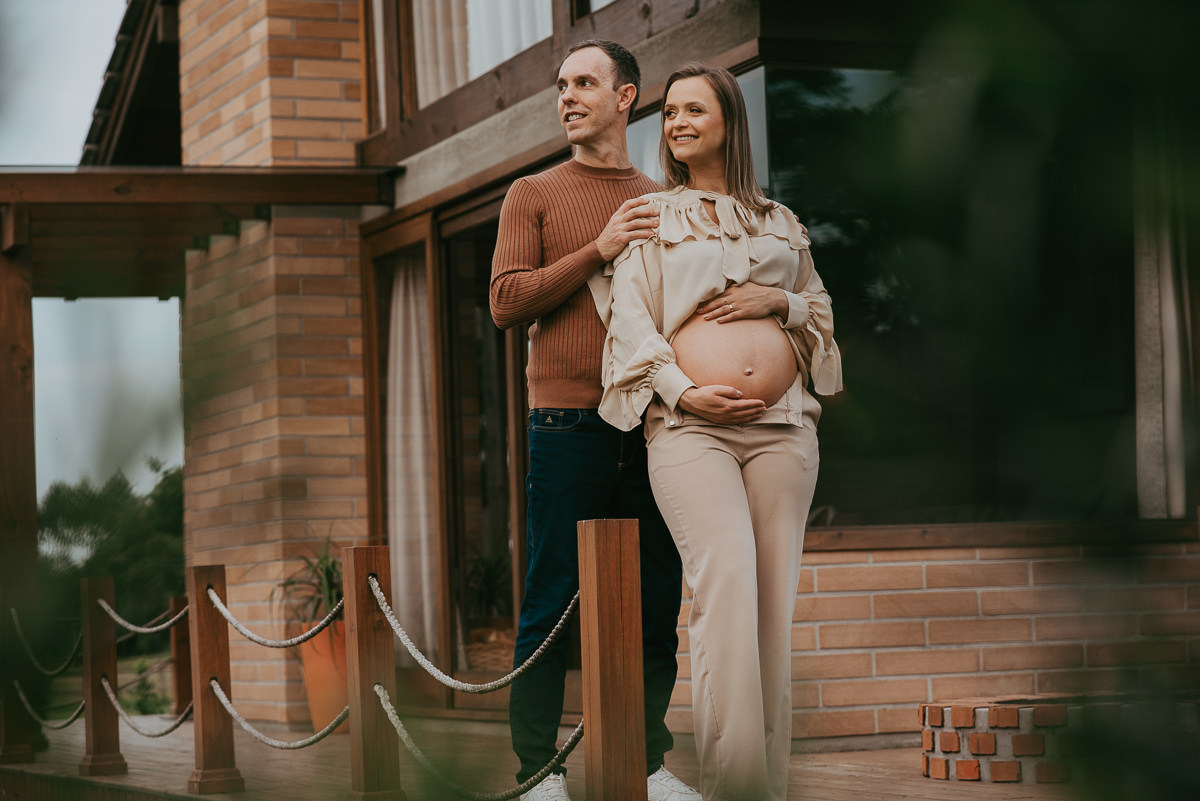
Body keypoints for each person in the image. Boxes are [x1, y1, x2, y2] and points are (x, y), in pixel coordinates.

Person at [598, 63, 843, 801]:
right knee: (727, 582)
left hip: (783, 429)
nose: (675, 121)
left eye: (692, 109)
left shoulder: (779, 222)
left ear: (729, 122)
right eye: (668, 111)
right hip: (689, 430)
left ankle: (767, 786)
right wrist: (683, 390)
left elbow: (821, 312)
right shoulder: (653, 218)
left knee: (773, 605)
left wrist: (781, 301)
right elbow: (629, 323)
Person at [490, 40, 700, 801]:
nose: (567, 95)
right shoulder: (532, 193)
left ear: (626, 97)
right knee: (550, 601)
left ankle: (647, 765)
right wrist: (598, 248)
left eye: (585, 82)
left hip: (649, 429)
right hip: (564, 426)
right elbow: (506, 302)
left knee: (656, 599)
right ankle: (536, 777)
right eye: (561, 84)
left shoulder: (661, 198)